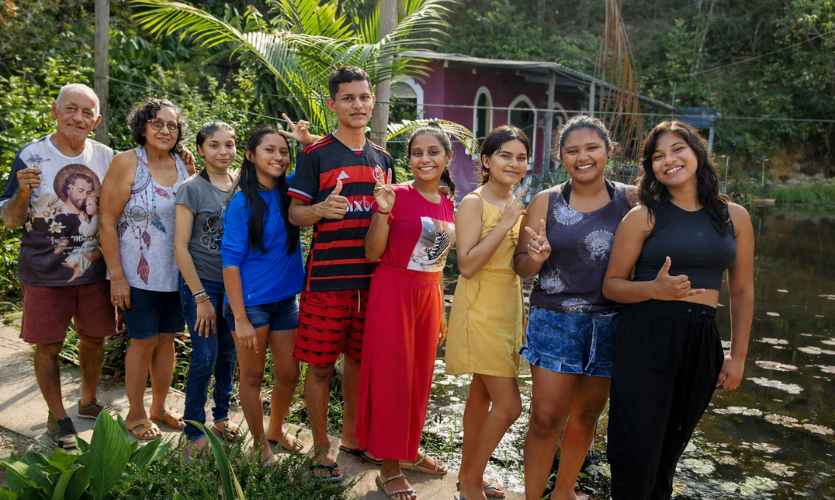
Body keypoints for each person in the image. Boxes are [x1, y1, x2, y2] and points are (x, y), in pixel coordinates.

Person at [602, 121, 754, 500]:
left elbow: (742, 289)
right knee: (636, 452)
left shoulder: (734, 217)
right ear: (650, 168)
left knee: (669, 452)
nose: (668, 160)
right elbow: (612, 286)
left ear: (697, 153)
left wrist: (737, 355)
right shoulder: (643, 216)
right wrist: (653, 289)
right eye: (657, 156)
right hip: (646, 335)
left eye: (677, 149)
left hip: (701, 340)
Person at [515, 116, 636, 500]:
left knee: (586, 417)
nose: (583, 157)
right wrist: (535, 257)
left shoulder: (632, 200)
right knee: (545, 418)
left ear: (608, 152)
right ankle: (534, 496)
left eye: (591, 148)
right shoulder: (545, 201)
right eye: (572, 151)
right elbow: (521, 266)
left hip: (611, 322)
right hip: (554, 320)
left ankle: (564, 491)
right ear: (560, 157)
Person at [287, 66, 395, 481]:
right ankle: (320, 449)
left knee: (359, 363)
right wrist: (319, 210)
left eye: (364, 97)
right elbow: (295, 213)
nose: (358, 104)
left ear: (372, 102)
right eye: (348, 98)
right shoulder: (315, 156)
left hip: (372, 285)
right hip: (326, 283)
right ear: (332, 105)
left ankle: (352, 438)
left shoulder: (384, 159)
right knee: (318, 367)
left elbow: (389, 219)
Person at [0, 83, 115, 448]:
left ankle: (87, 401)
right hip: (45, 274)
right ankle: (58, 416)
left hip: (95, 272)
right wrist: (21, 193)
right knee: (48, 345)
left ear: (95, 120)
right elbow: (10, 221)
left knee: (94, 338)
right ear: (55, 110)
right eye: (70, 109)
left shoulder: (107, 157)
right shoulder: (32, 155)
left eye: (86, 113)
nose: (77, 118)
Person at [358, 122, 456, 500]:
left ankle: (409, 451)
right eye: (417, 153)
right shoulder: (394, 194)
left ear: (447, 158)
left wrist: (442, 307)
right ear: (409, 159)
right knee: (393, 379)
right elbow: (371, 253)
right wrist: (382, 212)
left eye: (433, 152)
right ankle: (389, 466)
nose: (425, 159)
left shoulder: (447, 201)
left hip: (428, 295)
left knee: (419, 380)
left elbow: (439, 260)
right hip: (394, 290)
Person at [99, 97, 194, 440]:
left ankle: (158, 407)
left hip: (177, 274)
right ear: (142, 127)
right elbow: (107, 221)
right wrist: (118, 277)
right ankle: (135, 413)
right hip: (136, 275)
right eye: (157, 122)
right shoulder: (127, 162)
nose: (165, 129)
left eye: (172, 124)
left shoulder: (184, 164)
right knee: (142, 341)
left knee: (168, 340)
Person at [447, 125, 532, 500]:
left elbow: (517, 264)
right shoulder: (473, 203)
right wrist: (508, 224)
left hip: (509, 304)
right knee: (510, 405)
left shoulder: (515, 203)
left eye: (521, 157)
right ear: (486, 160)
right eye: (505, 155)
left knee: (481, 395)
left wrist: (537, 254)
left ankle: (470, 475)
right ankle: (469, 484)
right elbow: (466, 265)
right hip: (480, 305)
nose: (514, 163)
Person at [222, 127, 305, 463]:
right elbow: (229, 263)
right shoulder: (242, 202)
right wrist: (239, 318)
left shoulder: (292, 191)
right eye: (269, 150)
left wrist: (305, 142)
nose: (278, 157)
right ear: (250, 155)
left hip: (286, 301)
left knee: (289, 373)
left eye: (284, 151)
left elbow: (321, 160)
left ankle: (275, 429)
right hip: (250, 304)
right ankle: (259, 444)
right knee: (253, 375)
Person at [173, 121, 240, 457]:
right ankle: (194, 428)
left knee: (228, 354)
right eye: (214, 145)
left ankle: (222, 418)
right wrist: (200, 297)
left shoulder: (241, 182)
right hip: (202, 286)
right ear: (201, 149)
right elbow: (180, 247)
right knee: (204, 356)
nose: (223, 151)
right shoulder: (191, 188)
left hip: (234, 286)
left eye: (229, 144)